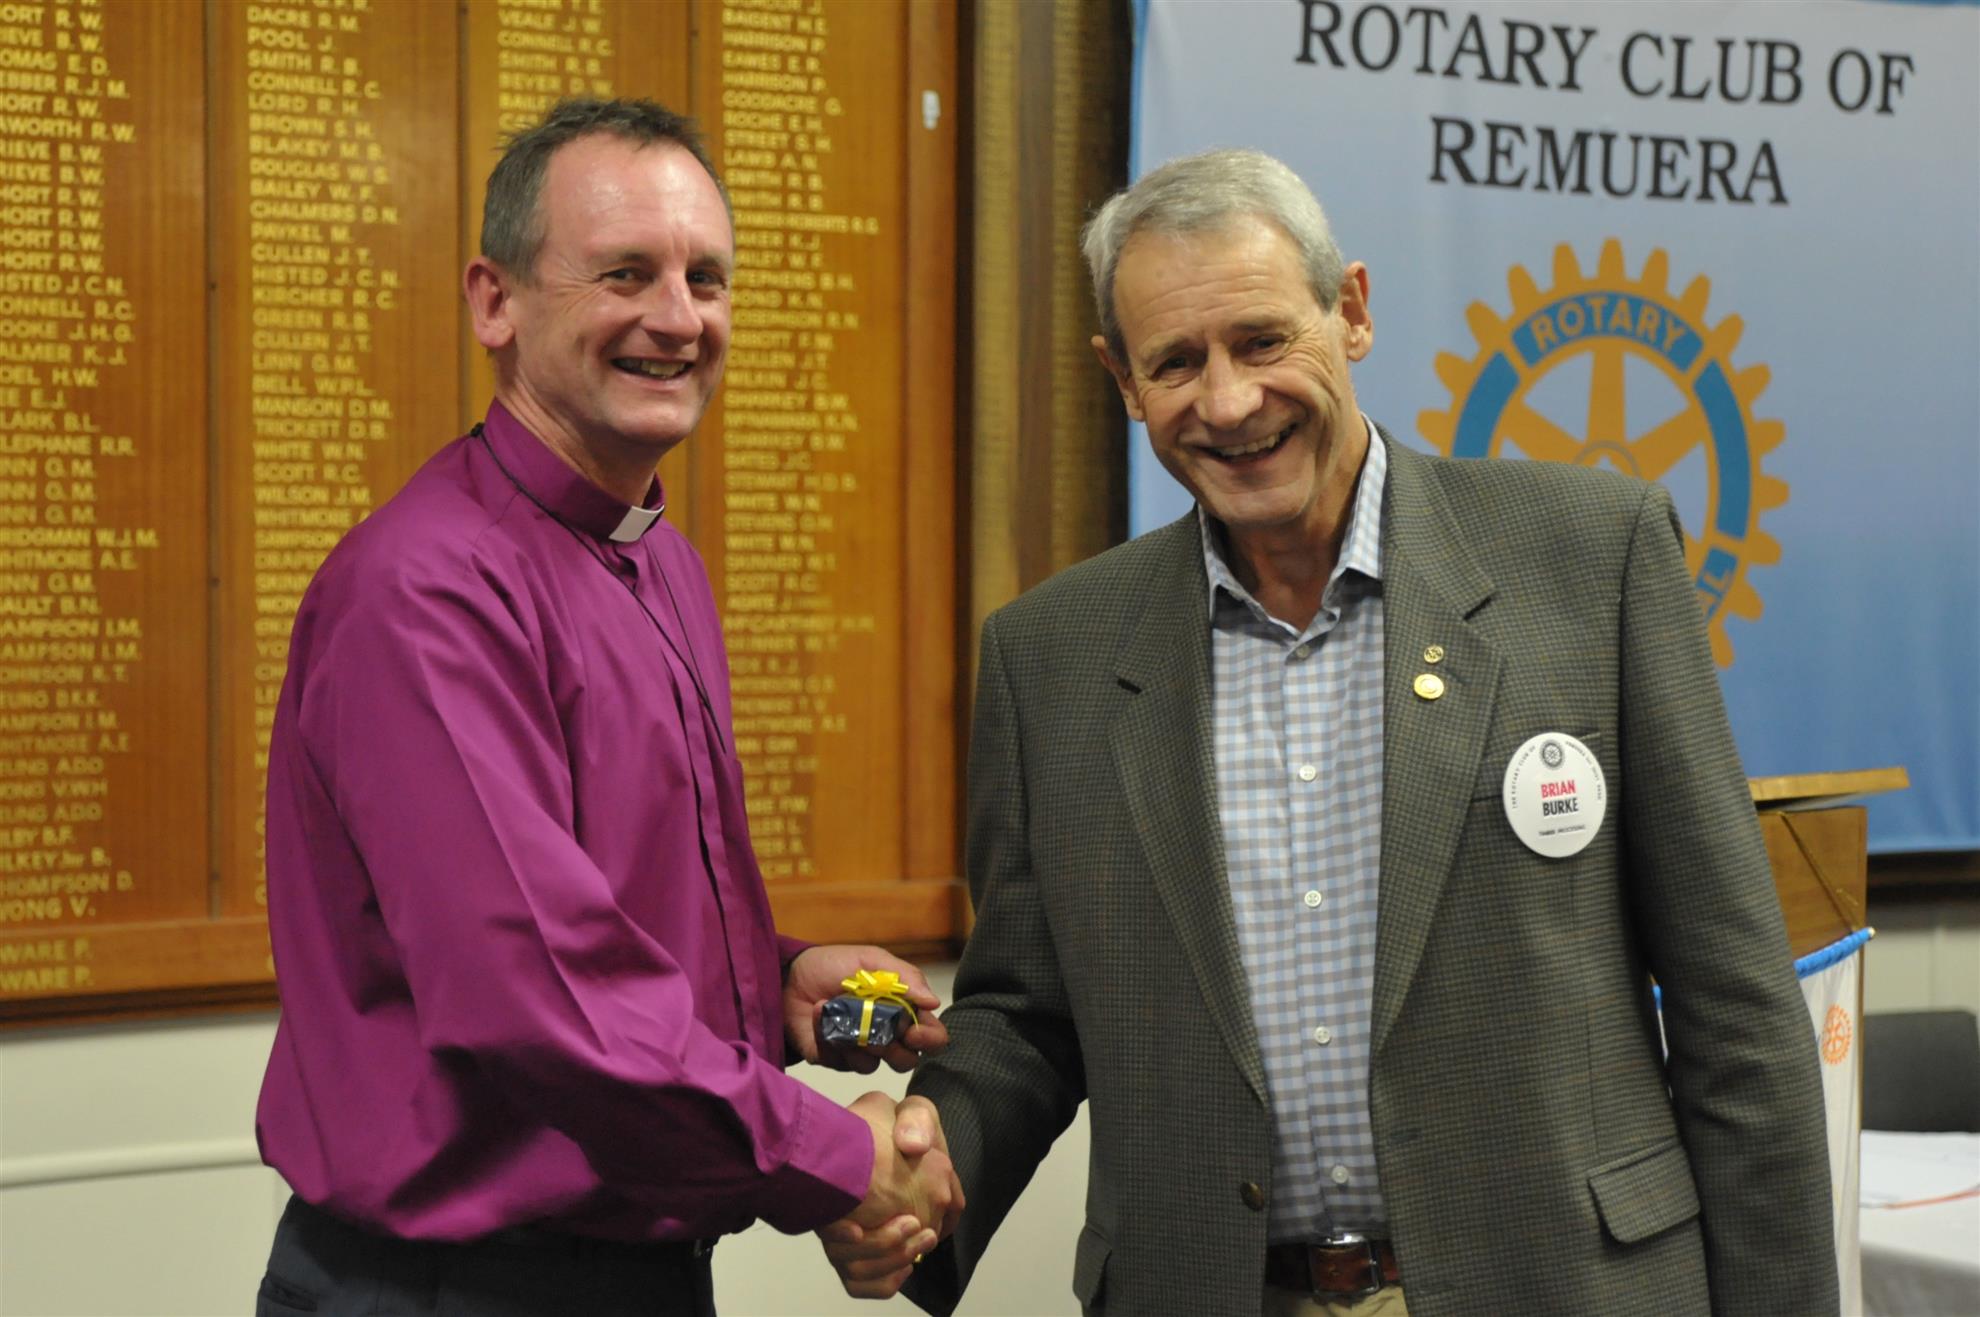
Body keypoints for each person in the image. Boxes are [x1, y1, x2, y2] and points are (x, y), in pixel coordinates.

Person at [821, 148, 1836, 1316]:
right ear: (1122, 379)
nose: (1228, 403)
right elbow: (1026, 1016)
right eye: (1175, 362)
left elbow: (1734, 1009)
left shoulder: (1589, 559)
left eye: (1262, 341)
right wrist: (926, 1160)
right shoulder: (1050, 658)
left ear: (1349, 311)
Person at [253, 98, 958, 1317]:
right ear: (495, 302)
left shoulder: (657, 559)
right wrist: (836, 1161)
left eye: (706, 278)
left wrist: (775, 986)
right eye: (625, 273)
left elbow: (596, 912)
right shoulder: (427, 591)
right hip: (456, 1293)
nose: (679, 318)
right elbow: (533, 992)